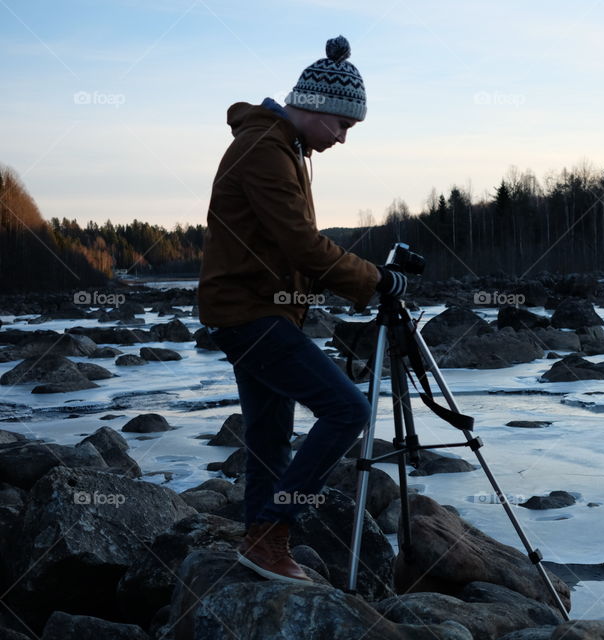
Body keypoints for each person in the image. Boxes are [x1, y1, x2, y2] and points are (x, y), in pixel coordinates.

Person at [197, 35, 407, 586]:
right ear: (316, 107)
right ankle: (271, 532)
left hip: (253, 311)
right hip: (249, 314)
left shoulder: (280, 145)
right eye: (343, 126)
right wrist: (377, 278)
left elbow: (294, 246)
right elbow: (300, 244)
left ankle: (259, 544)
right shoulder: (265, 149)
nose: (342, 138)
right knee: (348, 411)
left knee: (269, 433)